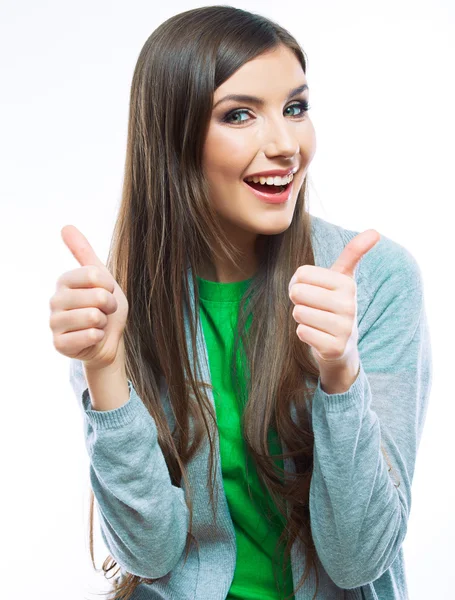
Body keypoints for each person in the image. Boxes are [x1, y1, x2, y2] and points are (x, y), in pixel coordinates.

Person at [49, 5, 433, 600]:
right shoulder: (115, 305)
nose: (285, 144)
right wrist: (104, 369)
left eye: (296, 108)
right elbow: (149, 554)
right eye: (240, 115)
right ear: (173, 137)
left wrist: (340, 373)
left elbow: (360, 558)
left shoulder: (378, 281)